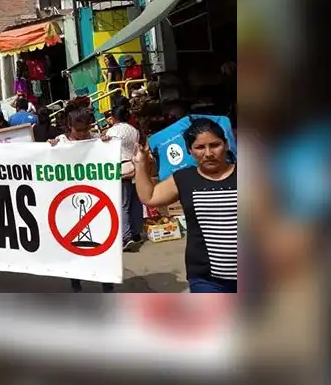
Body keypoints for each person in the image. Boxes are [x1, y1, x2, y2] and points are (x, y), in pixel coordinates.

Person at [132, 118, 237, 293]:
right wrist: (140, 164)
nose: (209, 153)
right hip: (206, 279)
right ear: (189, 150)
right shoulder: (184, 179)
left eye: (215, 145)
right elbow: (149, 197)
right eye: (200, 147)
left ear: (226, 145)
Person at [48, 104, 116, 293]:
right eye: (78, 131)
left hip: (96, 200)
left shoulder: (96, 139)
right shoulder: (60, 142)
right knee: (73, 245)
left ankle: (106, 281)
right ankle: (76, 280)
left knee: (102, 240)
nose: (82, 134)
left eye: (86, 129)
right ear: (69, 126)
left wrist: (106, 143)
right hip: (69, 202)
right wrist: (51, 149)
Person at [103, 102, 144, 252]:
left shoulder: (112, 132)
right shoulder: (134, 130)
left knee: (123, 204)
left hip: (120, 167)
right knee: (135, 202)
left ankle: (126, 237)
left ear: (114, 117)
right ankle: (136, 232)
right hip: (133, 166)